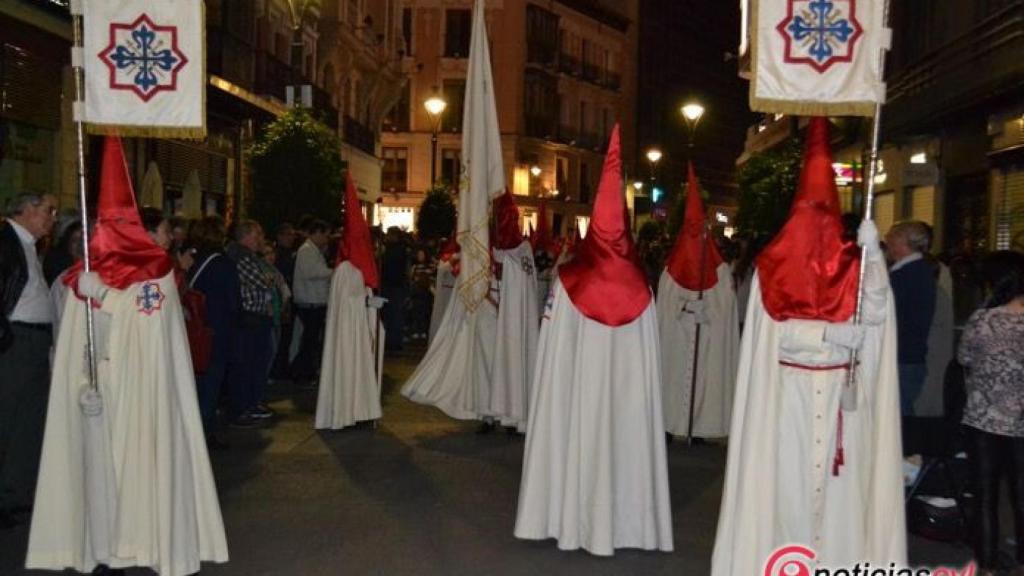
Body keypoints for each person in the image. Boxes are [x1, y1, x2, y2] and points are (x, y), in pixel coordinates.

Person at [710, 118, 904, 574]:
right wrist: (826, 334)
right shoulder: (771, 269)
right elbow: (772, 336)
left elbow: (875, 312)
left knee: (842, 494)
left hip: (842, 398)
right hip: (788, 399)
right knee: (786, 492)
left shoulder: (855, 265)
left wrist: (874, 256)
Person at [26, 136, 228, 575]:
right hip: (103, 393)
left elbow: (151, 327)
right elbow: (72, 340)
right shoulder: (81, 279)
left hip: (144, 395)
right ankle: (100, 545)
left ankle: (148, 539)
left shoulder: (155, 277)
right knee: (99, 472)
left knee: (141, 469)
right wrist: (81, 387)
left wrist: (108, 299)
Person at [514, 126, 673, 555]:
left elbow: (553, 350)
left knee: (579, 437)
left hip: (577, 395)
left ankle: (568, 518)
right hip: (626, 402)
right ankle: (629, 524)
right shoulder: (642, 285)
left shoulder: (568, 281)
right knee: (622, 440)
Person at [657, 163, 739, 441]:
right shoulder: (669, 271)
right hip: (678, 335)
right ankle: (670, 423)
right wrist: (683, 308)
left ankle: (701, 425)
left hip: (706, 334)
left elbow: (727, 307)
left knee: (706, 374)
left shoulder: (720, 270)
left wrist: (710, 311)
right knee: (674, 374)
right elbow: (663, 308)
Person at [958, 250, 1024, 576]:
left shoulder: (983, 320)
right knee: (1021, 493)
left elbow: (964, 358)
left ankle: (987, 566)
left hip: (984, 418)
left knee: (985, 494)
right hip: (1021, 419)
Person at [0, 192, 56, 529]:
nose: (52, 217)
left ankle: (15, 494)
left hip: (35, 340)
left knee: (28, 421)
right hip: (16, 341)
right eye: (47, 209)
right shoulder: (6, 242)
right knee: (8, 418)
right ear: (28, 209)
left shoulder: (31, 246)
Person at [315, 173, 384, 430]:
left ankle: (356, 409)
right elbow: (352, 303)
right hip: (349, 333)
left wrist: (368, 299)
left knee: (355, 367)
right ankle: (348, 410)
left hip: (354, 331)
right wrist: (369, 303)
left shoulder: (347, 268)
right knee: (349, 367)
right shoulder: (348, 270)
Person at [487, 190, 539, 433]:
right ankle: (504, 412)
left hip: (516, 322)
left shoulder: (519, 252)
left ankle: (516, 415)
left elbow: (521, 281)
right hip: (507, 320)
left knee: (515, 359)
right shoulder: (519, 252)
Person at [188, 216, 241, 441]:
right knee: (211, 383)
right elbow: (233, 301)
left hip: (196, 329)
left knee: (197, 383)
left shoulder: (192, 260)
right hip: (217, 332)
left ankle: (197, 430)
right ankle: (204, 434)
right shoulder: (223, 263)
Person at [886, 220, 937, 415]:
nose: (887, 244)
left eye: (890, 238)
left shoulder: (907, 275)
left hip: (902, 358)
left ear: (901, 242)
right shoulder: (919, 270)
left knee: (897, 417)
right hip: (910, 358)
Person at [226, 220, 275, 426]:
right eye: (257, 236)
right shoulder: (242, 257)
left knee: (257, 362)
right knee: (250, 363)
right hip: (251, 318)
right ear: (246, 237)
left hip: (256, 317)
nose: (260, 240)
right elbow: (265, 280)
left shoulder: (248, 256)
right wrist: (268, 277)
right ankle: (245, 406)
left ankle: (253, 402)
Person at [291, 219, 332, 387]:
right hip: (310, 302)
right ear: (317, 233)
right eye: (325, 235)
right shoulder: (307, 251)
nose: (326, 238)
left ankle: (304, 371)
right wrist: (333, 272)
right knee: (309, 340)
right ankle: (302, 373)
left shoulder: (313, 250)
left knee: (310, 340)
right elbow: (312, 272)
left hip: (314, 301)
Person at [380, 227, 409, 351]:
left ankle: (393, 341)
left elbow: (387, 266)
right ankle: (394, 341)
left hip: (392, 285)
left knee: (393, 314)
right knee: (395, 314)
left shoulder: (392, 250)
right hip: (395, 285)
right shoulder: (401, 249)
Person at [43, 219, 82, 285]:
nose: (80, 244)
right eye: (74, 240)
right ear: (68, 245)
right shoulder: (62, 278)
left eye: (83, 239)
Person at [408, 247, 435, 341]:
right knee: (416, 311)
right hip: (417, 291)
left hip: (426, 292)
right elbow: (411, 277)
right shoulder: (414, 267)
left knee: (425, 311)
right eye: (419, 255)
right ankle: (416, 330)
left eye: (422, 255)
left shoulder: (430, 266)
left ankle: (423, 330)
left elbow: (432, 277)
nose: (420, 256)